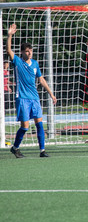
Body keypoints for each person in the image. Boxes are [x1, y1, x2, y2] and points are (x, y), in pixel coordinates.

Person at [6, 24, 57, 158]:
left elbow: (41, 80)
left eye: (31, 51)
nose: (29, 53)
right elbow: (9, 50)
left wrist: (51, 94)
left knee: (39, 124)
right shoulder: (17, 61)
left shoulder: (35, 63)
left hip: (34, 98)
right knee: (25, 127)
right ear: (22, 52)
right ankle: (15, 147)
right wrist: (10, 35)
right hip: (22, 98)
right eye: (27, 51)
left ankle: (42, 150)